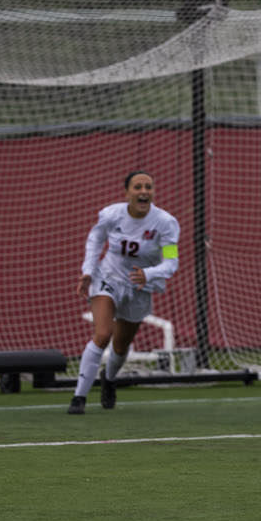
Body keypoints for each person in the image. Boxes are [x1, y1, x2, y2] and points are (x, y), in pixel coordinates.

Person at [70, 171, 180, 415]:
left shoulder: (165, 222)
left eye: (148, 187)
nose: (143, 192)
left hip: (140, 287)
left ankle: (108, 379)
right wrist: (88, 270)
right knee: (103, 334)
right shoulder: (111, 214)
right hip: (108, 278)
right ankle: (79, 397)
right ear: (127, 192)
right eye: (138, 187)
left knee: (121, 346)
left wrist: (149, 274)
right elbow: (95, 238)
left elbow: (172, 263)